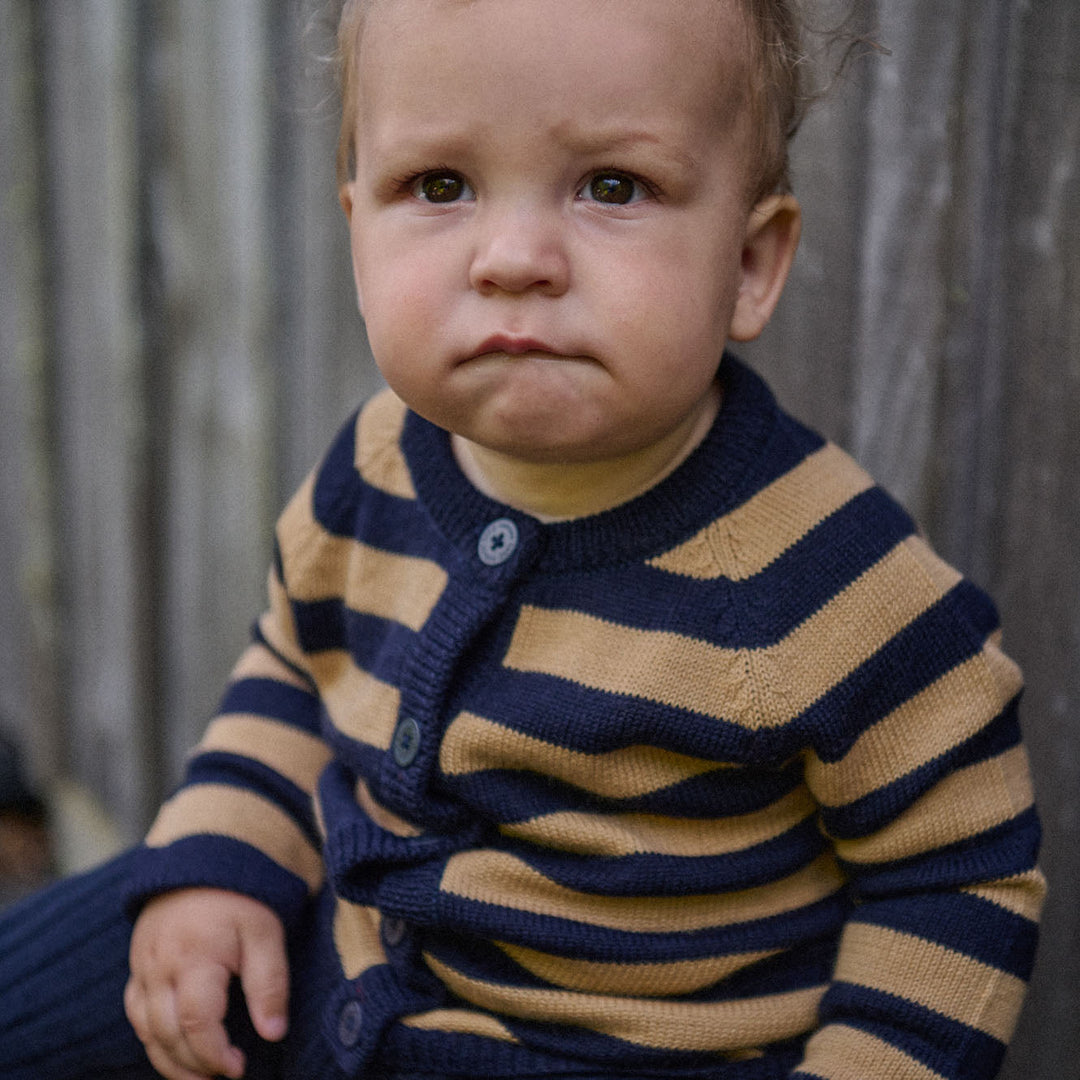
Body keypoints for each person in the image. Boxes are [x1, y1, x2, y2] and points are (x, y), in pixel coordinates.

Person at [0, 1, 1045, 1078]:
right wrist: (222, 856)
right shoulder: (376, 461)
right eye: (439, 185)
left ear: (748, 262)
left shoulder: (822, 583)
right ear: (357, 227)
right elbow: (298, 668)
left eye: (613, 187)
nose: (513, 258)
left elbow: (956, 873)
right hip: (333, 959)